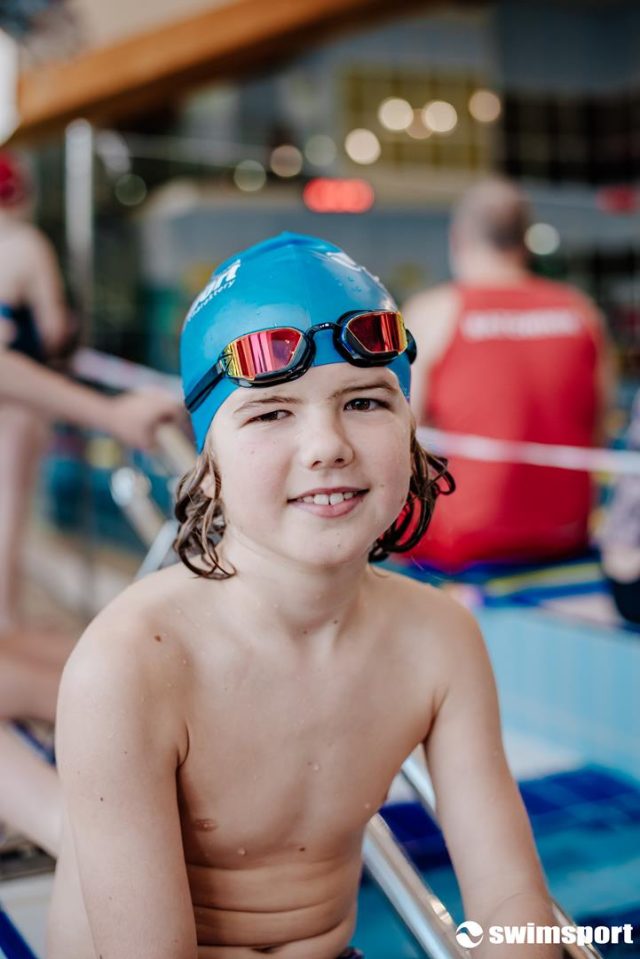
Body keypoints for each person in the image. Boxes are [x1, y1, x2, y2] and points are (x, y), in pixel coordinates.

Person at [49, 234, 558, 959]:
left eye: (364, 401)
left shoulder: (439, 639)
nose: (328, 445)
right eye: (271, 413)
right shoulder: (133, 663)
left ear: (411, 429)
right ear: (208, 462)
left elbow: (511, 901)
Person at [403, 177, 613, 572]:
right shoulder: (581, 311)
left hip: (461, 545)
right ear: (524, 240)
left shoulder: (435, 312)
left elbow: (404, 437)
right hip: (566, 535)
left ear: (457, 239)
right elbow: (599, 427)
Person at [0, 150, 75, 629]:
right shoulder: (27, 244)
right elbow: (53, 327)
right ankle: (4, 617)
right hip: (18, 395)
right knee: (9, 506)